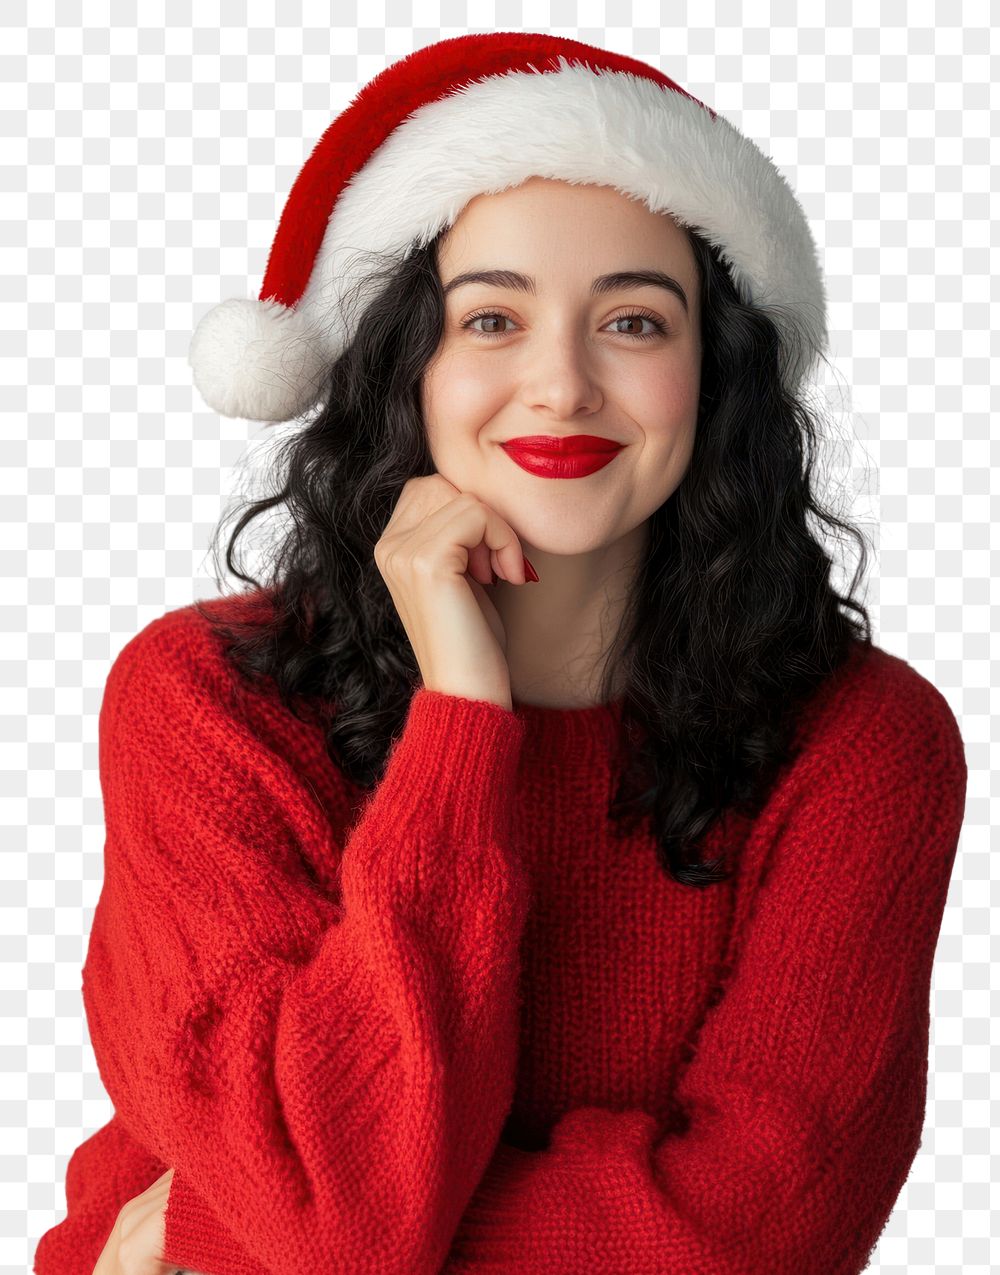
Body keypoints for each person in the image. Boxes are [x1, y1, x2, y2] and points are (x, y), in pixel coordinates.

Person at [34, 30, 968, 1275]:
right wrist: (463, 720)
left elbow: (761, 1236)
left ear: (717, 371)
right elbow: (341, 1207)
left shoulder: (861, 743)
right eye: (490, 320)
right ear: (402, 365)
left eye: (633, 320)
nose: (561, 385)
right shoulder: (201, 700)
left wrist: (221, 1226)